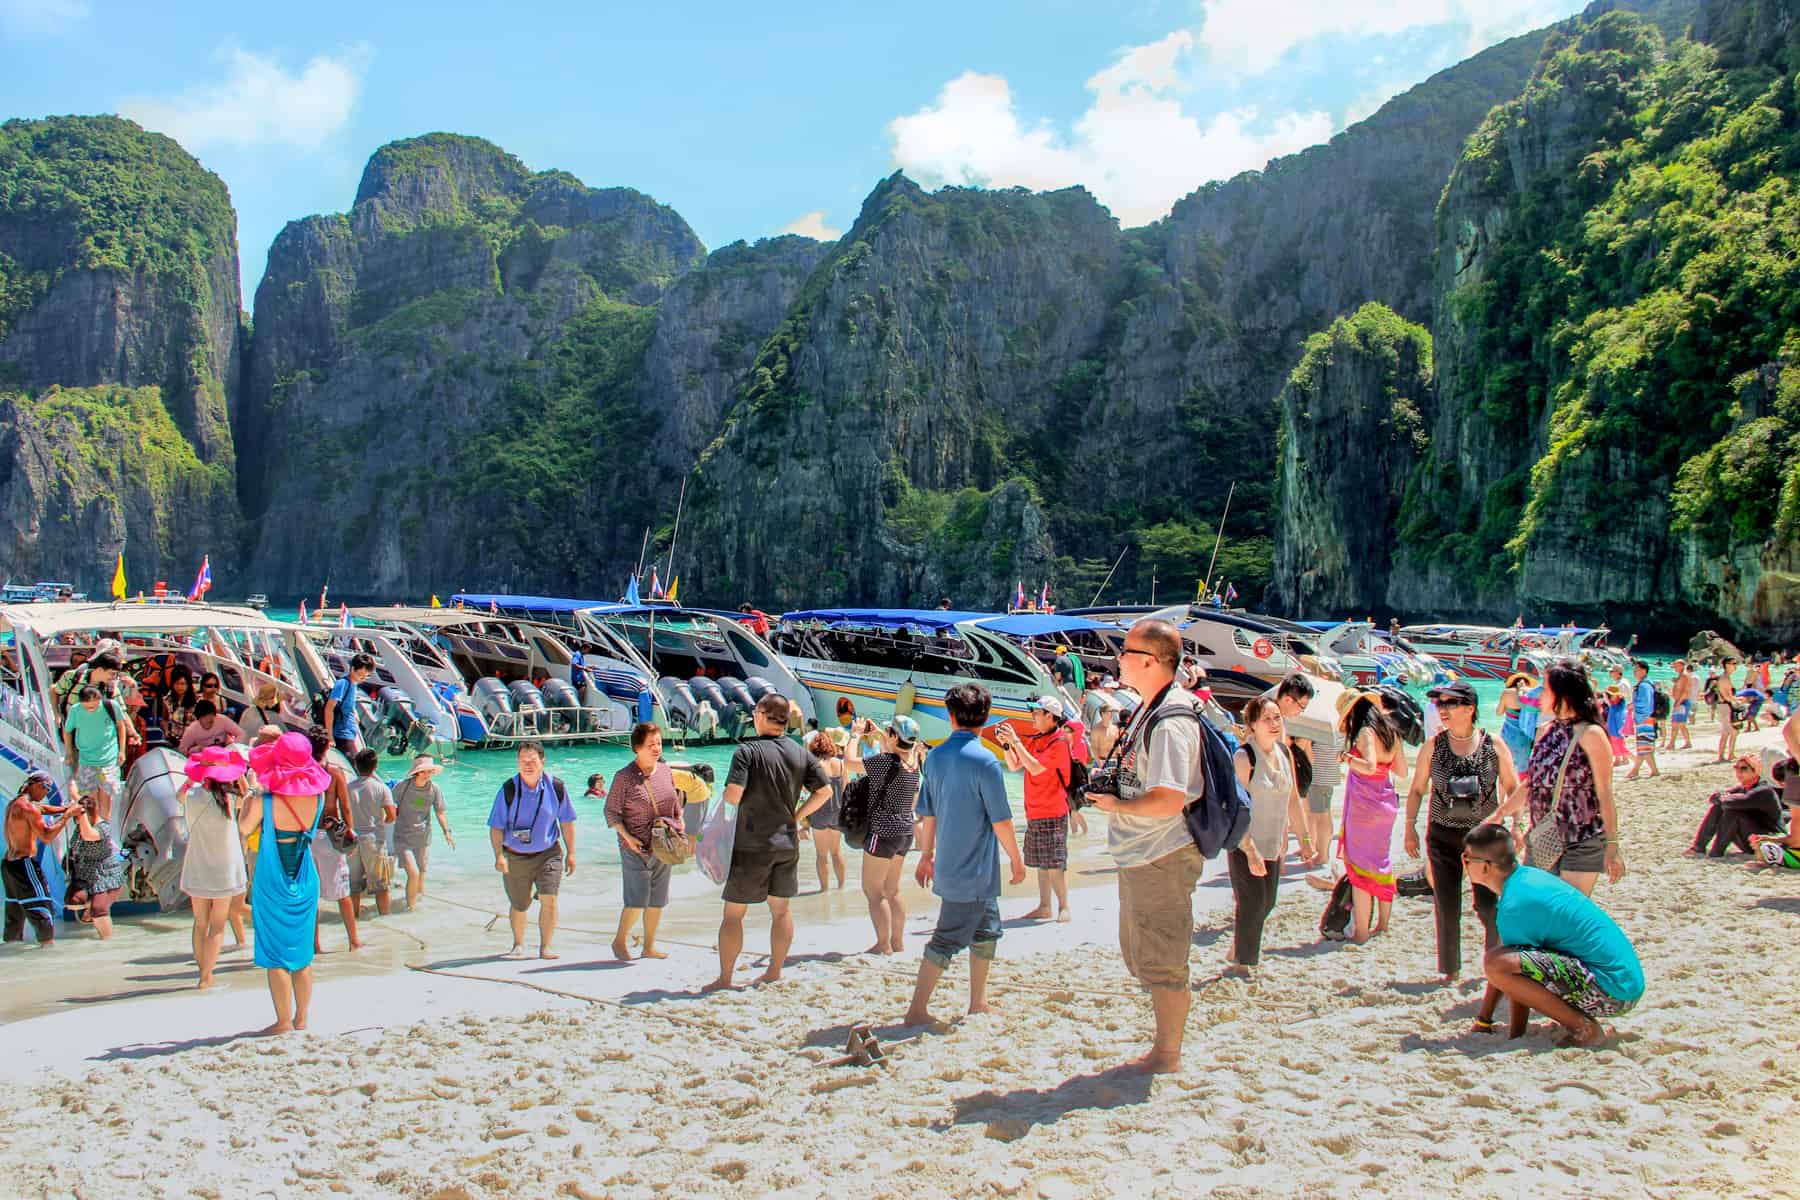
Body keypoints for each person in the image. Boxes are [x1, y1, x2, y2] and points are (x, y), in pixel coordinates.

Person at [1086, 618, 1206, 1074]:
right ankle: (1164, 1048)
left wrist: (1118, 804)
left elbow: (1170, 799)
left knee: (1163, 959)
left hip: (1162, 853)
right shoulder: (1150, 708)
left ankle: (1168, 1055)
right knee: (1143, 955)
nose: (1119, 659)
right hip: (1143, 852)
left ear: (1151, 661)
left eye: (1127, 652)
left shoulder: (1171, 720)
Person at [903, 682, 1026, 1024]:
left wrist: (926, 855)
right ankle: (916, 1010)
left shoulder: (936, 756)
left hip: (955, 866)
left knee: (986, 933)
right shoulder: (986, 760)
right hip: (973, 870)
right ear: (985, 719)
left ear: (950, 716)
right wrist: (1016, 859)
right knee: (946, 939)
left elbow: (928, 814)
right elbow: (1001, 820)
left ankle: (978, 1002)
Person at [1463, 824, 1644, 1046]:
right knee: (1500, 960)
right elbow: (1515, 964)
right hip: (1624, 984)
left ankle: (1584, 1029)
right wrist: (1485, 1020)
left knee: (1497, 962)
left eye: (1467, 859)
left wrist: (1515, 1035)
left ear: (1486, 867)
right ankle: (1578, 1025)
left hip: (1614, 992)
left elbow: (1508, 971)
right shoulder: (1527, 878)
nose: (1464, 864)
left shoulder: (1514, 904)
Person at [1405, 680, 1521, 989]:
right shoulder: (1434, 745)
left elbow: (1512, 788)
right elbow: (1417, 789)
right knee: (1446, 903)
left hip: (1484, 839)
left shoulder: (1493, 744)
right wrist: (1409, 828)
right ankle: (1450, 969)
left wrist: (1518, 825)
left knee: (1488, 905)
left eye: (1450, 704)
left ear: (1470, 709)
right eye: (1439, 704)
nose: (1442, 709)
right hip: (1443, 835)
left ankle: (1494, 959)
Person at [713, 694, 831, 990]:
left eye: (755, 711)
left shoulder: (747, 751)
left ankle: (726, 978)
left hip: (751, 844)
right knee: (781, 911)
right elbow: (825, 791)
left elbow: (733, 796)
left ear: (763, 714)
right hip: (786, 842)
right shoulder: (800, 752)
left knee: (733, 914)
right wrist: (798, 815)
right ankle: (775, 970)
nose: (753, 715)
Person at [1492, 659, 1624, 896]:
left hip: (1582, 838)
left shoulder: (1591, 734)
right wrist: (1501, 814)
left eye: (1545, 688)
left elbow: (1604, 792)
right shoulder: (1546, 730)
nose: (1539, 694)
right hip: (1544, 834)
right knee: (1536, 908)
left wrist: (1613, 845)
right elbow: (1531, 784)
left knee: (1566, 914)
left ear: (1562, 695)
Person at [247, 732, 329, 1034]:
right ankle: (302, 1018)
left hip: (273, 877)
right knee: (302, 953)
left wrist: (249, 795)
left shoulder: (266, 800)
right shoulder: (317, 797)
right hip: (305, 874)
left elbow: (243, 828)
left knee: (275, 954)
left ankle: (282, 1021)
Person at [487, 742, 577, 960]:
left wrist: (572, 853)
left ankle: (546, 947)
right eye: (523, 761)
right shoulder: (508, 789)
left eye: (532, 760)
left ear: (542, 762)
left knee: (550, 898)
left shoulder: (556, 787)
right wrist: (498, 855)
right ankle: (518, 945)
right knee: (520, 903)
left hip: (549, 852)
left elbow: (566, 822)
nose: (528, 765)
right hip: (515, 855)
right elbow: (496, 826)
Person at [1228, 696, 1297, 976]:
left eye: (1277, 717)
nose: (1273, 723)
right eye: (1266, 719)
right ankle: (1243, 964)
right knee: (1253, 902)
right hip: (1246, 843)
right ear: (1252, 724)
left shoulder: (1284, 752)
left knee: (1268, 902)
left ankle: (1238, 949)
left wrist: (1295, 838)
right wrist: (1250, 849)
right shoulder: (1245, 757)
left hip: (1273, 840)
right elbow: (1236, 806)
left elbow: (1290, 799)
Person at [606, 722, 684, 961]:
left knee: (658, 899)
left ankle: (649, 946)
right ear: (637, 748)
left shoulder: (665, 770)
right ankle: (619, 941)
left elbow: (675, 804)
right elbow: (611, 813)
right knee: (637, 899)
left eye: (659, 743)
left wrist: (680, 828)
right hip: (635, 846)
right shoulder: (624, 777)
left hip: (663, 843)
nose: (656, 748)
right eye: (651, 744)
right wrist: (627, 838)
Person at [847, 714, 924, 955]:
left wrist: (855, 735)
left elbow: (849, 762)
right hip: (904, 831)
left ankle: (883, 944)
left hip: (883, 830)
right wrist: (882, 733)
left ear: (894, 736)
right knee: (893, 890)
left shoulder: (885, 762)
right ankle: (897, 942)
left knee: (873, 891)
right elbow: (896, 746)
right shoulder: (913, 762)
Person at [180, 746, 257, 984]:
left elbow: (182, 790)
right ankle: (206, 976)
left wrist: (196, 772)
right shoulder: (230, 799)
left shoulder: (191, 796)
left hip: (198, 864)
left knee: (200, 922)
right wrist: (239, 774)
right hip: (225, 869)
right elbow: (248, 796)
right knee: (217, 926)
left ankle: (202, 971)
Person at [996, 697, 1076, 923]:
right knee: (1042, 863)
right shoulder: (1038, 739)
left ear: (1050, 716)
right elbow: (1014, 765)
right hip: (1035, 809)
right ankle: (1044, 906)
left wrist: (1015, 741)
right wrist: (1006, 744)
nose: (1033, 717)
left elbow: (1035, 767)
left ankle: (1064, 906)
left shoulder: (1059, 742)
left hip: (1053, 809)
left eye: (1037, 713)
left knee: (1054, 863)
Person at [1338, 691, 1409, 942]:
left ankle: (1360, 931)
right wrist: (1381, 764)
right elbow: (1401, 770)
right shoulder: (1391, 731)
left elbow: (1367, 766)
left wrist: (1346, 758)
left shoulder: (1365, 733)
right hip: (1386, 802)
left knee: (1359, 869)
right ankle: (1382, 924)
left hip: (1364, 806)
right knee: (1380, 862)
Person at [4, 771, 75, 944]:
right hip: (25, 864)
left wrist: (65, 808)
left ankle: (11, 950)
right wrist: (66, 817)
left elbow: (42, 809)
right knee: (42, 910)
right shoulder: (29, 809)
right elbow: (46, 836)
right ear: (36, 785)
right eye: (46, 789)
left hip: (9, 866)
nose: (46, 794)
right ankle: (49, 953)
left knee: (15, 914)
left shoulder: (15, 804)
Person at [1687, 756, 1783, 856]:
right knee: (1717, 807)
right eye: (1736, 768)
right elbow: (1714, 798)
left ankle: (1716, 853)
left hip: (1769, 842)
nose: (1739, 772)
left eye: (1744, 768)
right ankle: (1698, 847)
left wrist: (1726, 798)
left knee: (1733, 812)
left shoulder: (1764, 790)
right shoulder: (1743, 788)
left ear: (1756, 771)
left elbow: (1735, 802)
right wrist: (1724, 798)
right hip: (1750, 840)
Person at [392, 754, 453, 911]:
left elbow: (440, 812)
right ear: (416, 772)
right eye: (424, 771)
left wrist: (447, 832)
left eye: (430, 771)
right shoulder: (402, 787)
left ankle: (419, 903)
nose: (427, 775)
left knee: (422, 870)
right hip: (402, 837)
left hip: (423, 836)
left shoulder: (434, 789)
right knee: (413, 872)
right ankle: (411, 909)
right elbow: (389, 806)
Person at [63, 789, 125, 939]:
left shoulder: (103, 827)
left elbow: (88, 835)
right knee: (73, 902)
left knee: (99, 910)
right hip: (85, 875)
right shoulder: (82, 823)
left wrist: (81, 814)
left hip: (105, 876)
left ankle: (106, 940)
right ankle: (89, 905)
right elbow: (76, 796)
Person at [62, 684, 128, 816]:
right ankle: (93, 828)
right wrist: (69, 752)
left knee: (106, 798)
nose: (91, 708)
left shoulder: (111, 706)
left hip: (108, 760)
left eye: (94, 705)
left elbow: (121, 726)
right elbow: (68, 731)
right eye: (87, 706)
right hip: (86, 760)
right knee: (90, 801)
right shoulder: (75, 710)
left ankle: (105, 829)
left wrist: (122, 750)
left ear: (99, 699)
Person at [345, 748, 395, 919]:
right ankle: (386, 919)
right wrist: (382, 823)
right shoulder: (381, 788)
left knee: (353, 886)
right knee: (381, 886)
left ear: (356, 766)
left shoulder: (348, 787)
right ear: (375, 766)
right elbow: (391, 815)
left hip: (351, 840)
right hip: (374, 840)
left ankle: (354, 921)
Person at [803, 730, 849, 891]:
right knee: (836, 852)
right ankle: (841, 887)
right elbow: (846, 788)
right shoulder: (840, 763)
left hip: (819, 812)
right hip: (837, 812)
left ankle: (824, 890)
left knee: (822, 855)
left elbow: (806, 789)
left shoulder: (815, 765)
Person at [323, 653, 372, 757]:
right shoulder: (342, 683)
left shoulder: (354, 684)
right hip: (341, 734)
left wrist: (355, 713)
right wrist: (330, 736)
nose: (362, 679)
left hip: (349, 732)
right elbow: (329, 709)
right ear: (352, 669)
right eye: (360, 675)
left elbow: (348, 703)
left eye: (365, 676)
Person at [1496, 670, 1538, 769]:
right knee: (1523, 765)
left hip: (1508, 733)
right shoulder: (1531, 694)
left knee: (1505, 764)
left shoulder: (1507, 692)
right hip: (1526, 734)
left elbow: (1499, 712)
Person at [1625, 661, 1660, 779]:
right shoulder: (1648, 684)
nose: (1635, 672)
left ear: (1644, 670)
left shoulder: (1644, 685)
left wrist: (1633, 705)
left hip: (1644, 719)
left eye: (1637, 670)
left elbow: (1646, 704)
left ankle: (1639, 771)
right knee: (1644, 746)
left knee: (1644, 746)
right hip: (1647, 719)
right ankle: (1640, 770)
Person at [176, 699, 244, 756]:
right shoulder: (192, 729)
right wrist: (195, 750)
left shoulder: (222, 720)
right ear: (199, 718)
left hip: (224, 752)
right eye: (205, 718)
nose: (208, 720)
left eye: (211, 719)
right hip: (204, 756)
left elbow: (241, 733)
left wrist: (233, 749)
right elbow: (182, 750)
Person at [1710, 658, 1743, 762]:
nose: (1735, 666)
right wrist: (1737, 700)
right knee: (1733, 732)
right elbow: (1726, 696)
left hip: (1724, 706)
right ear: (1727, 665)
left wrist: (1736, 699)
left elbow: (1727, 695)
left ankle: (1723, 756)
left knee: (1726, 732)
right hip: (1725, 706)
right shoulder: (1724, 678)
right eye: (1733, 663)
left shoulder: (1725, 677)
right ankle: (1729, 755)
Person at [1663, 660, 1696, 751]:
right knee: (1681, 724)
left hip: (1682, 702)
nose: (1674, 668)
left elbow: (1686, 691)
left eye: (1676, 666)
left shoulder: (1684, 676)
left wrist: (1678, 702)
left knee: (1675, 724)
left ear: (1682, 665)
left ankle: (1671, 744)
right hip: (1682, 701)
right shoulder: (1682, 676)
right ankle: (1688, 743)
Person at [161, 670, 197, 749]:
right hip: (175, 741)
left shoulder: (198, 700)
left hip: (194, 742)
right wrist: (167, 731)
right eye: (177, 684)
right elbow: (164, 719)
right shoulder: (168, 699)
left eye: (183, 684)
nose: (180, 687)